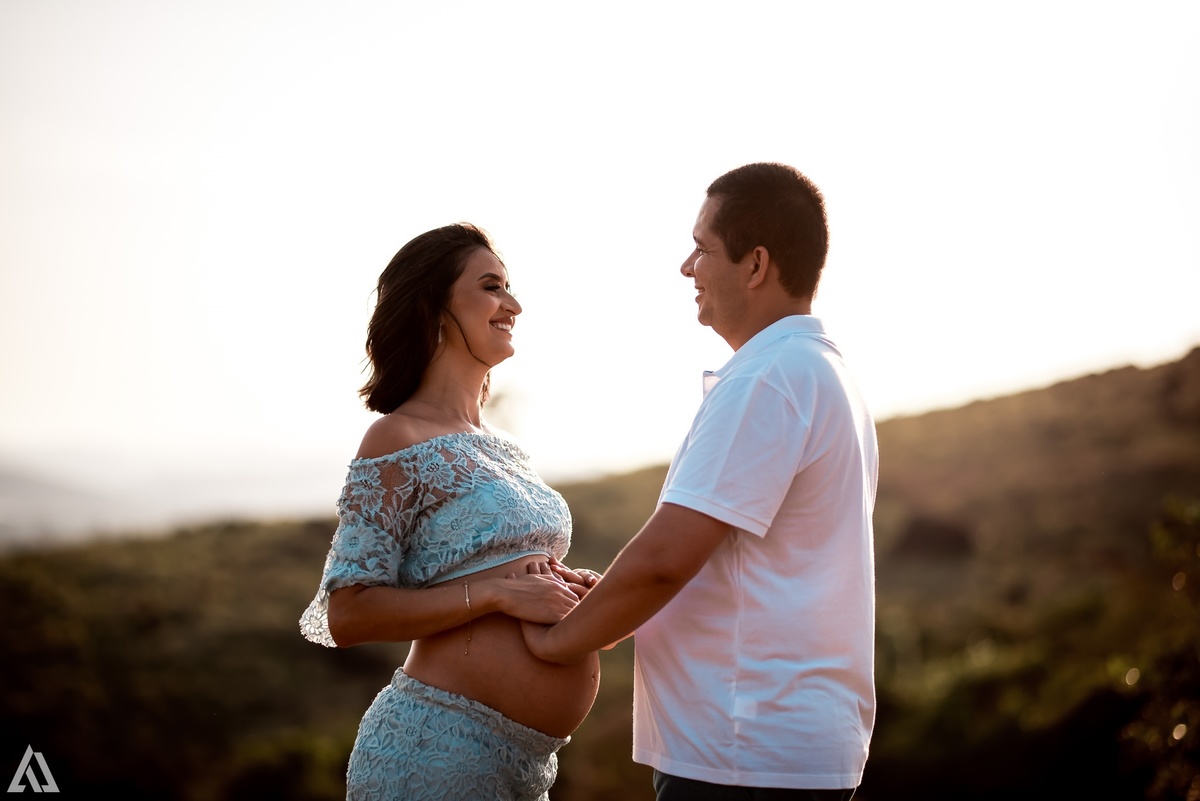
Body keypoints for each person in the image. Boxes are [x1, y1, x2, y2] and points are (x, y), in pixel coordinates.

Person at [522, 163, 879, 800]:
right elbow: (743, 568)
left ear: (756, 264)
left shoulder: (767, 379)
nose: (687, 267)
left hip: (744, 753)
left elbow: (665, 560)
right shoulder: (817, 371)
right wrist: (606, 601)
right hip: (773, 746)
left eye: (703, 248)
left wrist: (556, 642)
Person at [299, 222, 603, 801]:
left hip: (524, 767)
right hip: (434, 753)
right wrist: (494, 595)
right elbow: (347, 612)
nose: (512, 304)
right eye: (491, 287)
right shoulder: (396, 437)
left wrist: (568, 592)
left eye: (508, 287)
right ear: (434, 308)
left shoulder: (503, 446)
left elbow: (498, 566)